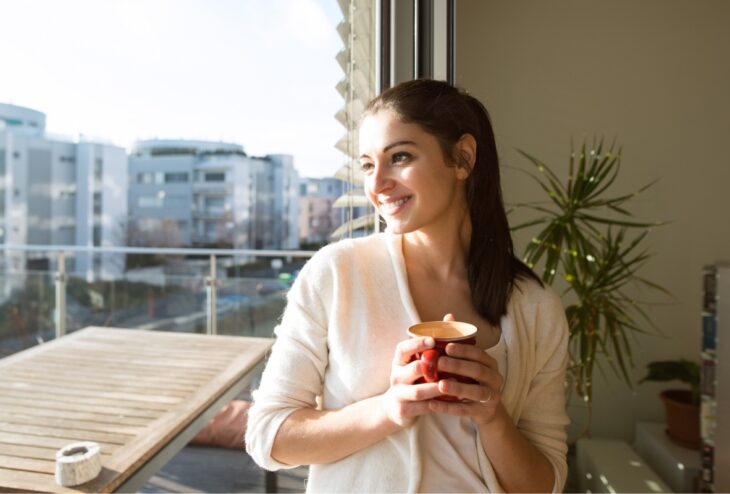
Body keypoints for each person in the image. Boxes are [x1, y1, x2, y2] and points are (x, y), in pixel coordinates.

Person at [246, 79, 570, 493]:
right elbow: (268, 436)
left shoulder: (535, 308)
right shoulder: (337, 274)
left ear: (463, 158)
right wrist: (389, 409)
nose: (377, 184)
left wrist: (493, 415)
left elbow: (545, 485)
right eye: (366, 164)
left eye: (399, 157)